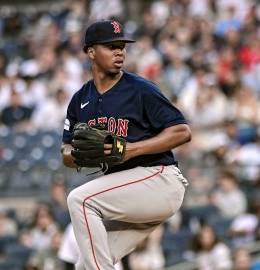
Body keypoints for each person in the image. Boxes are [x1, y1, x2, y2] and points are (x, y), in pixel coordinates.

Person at [60, 19, 191, 270]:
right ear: (91, 51)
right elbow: (65, 150)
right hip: (128, 196)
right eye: (111, 46)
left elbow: (182, 132)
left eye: (122, 46)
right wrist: (78, 153)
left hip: (158, 179)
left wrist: (131, 149)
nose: (120, 51)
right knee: (87, 265)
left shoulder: (140, 89)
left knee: (80, 199)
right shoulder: (80, 100)